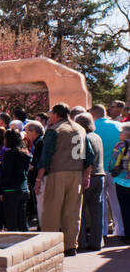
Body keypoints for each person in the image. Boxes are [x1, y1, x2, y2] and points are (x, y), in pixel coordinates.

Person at [35, 103, 95, 256]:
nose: (50, 117)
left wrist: (38, 179)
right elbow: (89, 155)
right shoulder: (80, 129)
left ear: (56, 114)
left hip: (57, 173)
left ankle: (50, 244)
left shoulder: (54, 130)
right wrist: (87, 175)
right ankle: (70, 245)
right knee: (73, 211)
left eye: (51, 114)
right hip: (76, 174)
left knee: (52, 211)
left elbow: (46, 156)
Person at [92, 105, 124, 239]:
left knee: (100, 202)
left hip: (98, 169)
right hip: (116, 169)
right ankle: (121, 230)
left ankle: (103, 231)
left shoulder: (92, 127)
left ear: (92, 114)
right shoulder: (117, 126)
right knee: (116, 202)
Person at [77, 112, 106, 252]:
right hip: (100, 175)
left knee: (80, 210)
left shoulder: (82, 137)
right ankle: (97, 241)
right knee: (97, 211)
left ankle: (81, 241)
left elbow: (78, 159)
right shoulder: (97, 137)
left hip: (86, 176)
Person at [0, 128, 32, 231]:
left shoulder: (9, 154)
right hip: (24, 188)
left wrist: (1, 190)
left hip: (11, 190)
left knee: (11, 221)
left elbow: (7, 174)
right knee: (22, 220)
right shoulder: (25, 153)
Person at [111, 125, 130, 242]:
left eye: (121, 132)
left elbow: (113, 162)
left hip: (122, 180)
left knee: (125, 207)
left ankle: (128, 235)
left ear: (126, 134)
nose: (119, 134)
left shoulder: (120, 145)